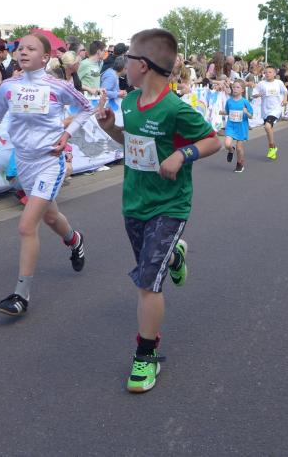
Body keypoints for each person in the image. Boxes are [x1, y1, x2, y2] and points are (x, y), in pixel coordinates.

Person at [95, 28, 220, 393]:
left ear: (144, 65)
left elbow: (212, 140)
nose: (123, 65)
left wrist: (182, 154)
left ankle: (146, 355)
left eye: (128, 59)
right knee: (151, 269)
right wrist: (110, 129)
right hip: (134, 201)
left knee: (148, 281)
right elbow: (132, 143)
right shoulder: (131, 102)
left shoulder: (175, 108)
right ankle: (175, 256)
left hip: (169, 205)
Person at [0, 33, 93, 317]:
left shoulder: (58, 86)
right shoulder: (9, 87)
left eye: (31, 49)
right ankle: (75, 240)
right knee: (51, 217)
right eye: (20, 48)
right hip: (24, 162)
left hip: (49, 162)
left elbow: (86, 108)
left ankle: (20, 296)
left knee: (26, 226)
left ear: (45, 57)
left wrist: (66, 134)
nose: (23, 52)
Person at [253, 65, 287, 159]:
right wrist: (258, 95)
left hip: (276, 109)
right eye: (266, 72)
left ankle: (271, 147)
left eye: (270, 72)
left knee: (267, 126)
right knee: (269, 128)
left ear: (274, 73)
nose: (267, 74)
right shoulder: (261, 84)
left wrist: (285, 99)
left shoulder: (278, 82)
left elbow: (285, 91)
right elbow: (253, 94)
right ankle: (273, 148)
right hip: (265, 110)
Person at [220, 79, 253, 172]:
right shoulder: (229, 101)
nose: (235, 89)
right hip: (231, 126)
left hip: (241, 127)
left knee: (239, 148)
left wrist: (246, 112)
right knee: (227, 144)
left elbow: (251, 116)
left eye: (238, 87)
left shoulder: (245, 102)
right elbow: (228, 111)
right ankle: (231, 150)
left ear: (242, 90)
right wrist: (222, 112)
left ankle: (240, 164)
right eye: (233, 87)